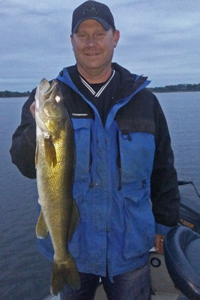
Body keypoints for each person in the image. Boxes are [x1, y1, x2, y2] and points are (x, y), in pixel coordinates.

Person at [10, 1, 180, 299]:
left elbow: (163, 170)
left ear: (115, 38)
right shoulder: (51, 98)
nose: (91, 43)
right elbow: (24, 164)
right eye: (82, 35)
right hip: (74, 245)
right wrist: (36, 129)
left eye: (100, 33)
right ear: (72, 41)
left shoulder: (145, 101)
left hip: (131, 249)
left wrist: (164, 224)